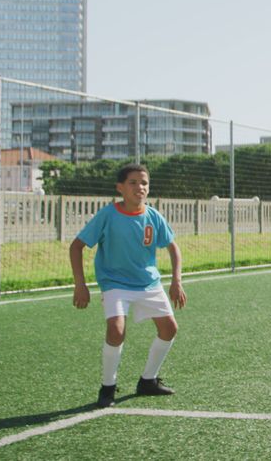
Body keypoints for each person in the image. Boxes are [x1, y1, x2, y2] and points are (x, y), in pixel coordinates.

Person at [70, 163, 186, 409]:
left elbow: (173, 248)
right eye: (133, 183)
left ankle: (148, 381)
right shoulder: (107, 215)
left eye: (144, 183)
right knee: (116, 330)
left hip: (148, 282)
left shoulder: (154, 216)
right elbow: (76, 246)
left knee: (169, 329)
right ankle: (108, 387)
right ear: (120, 188)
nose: (139, 187)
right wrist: (80, 285)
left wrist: (176, 280)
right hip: (115, 283)